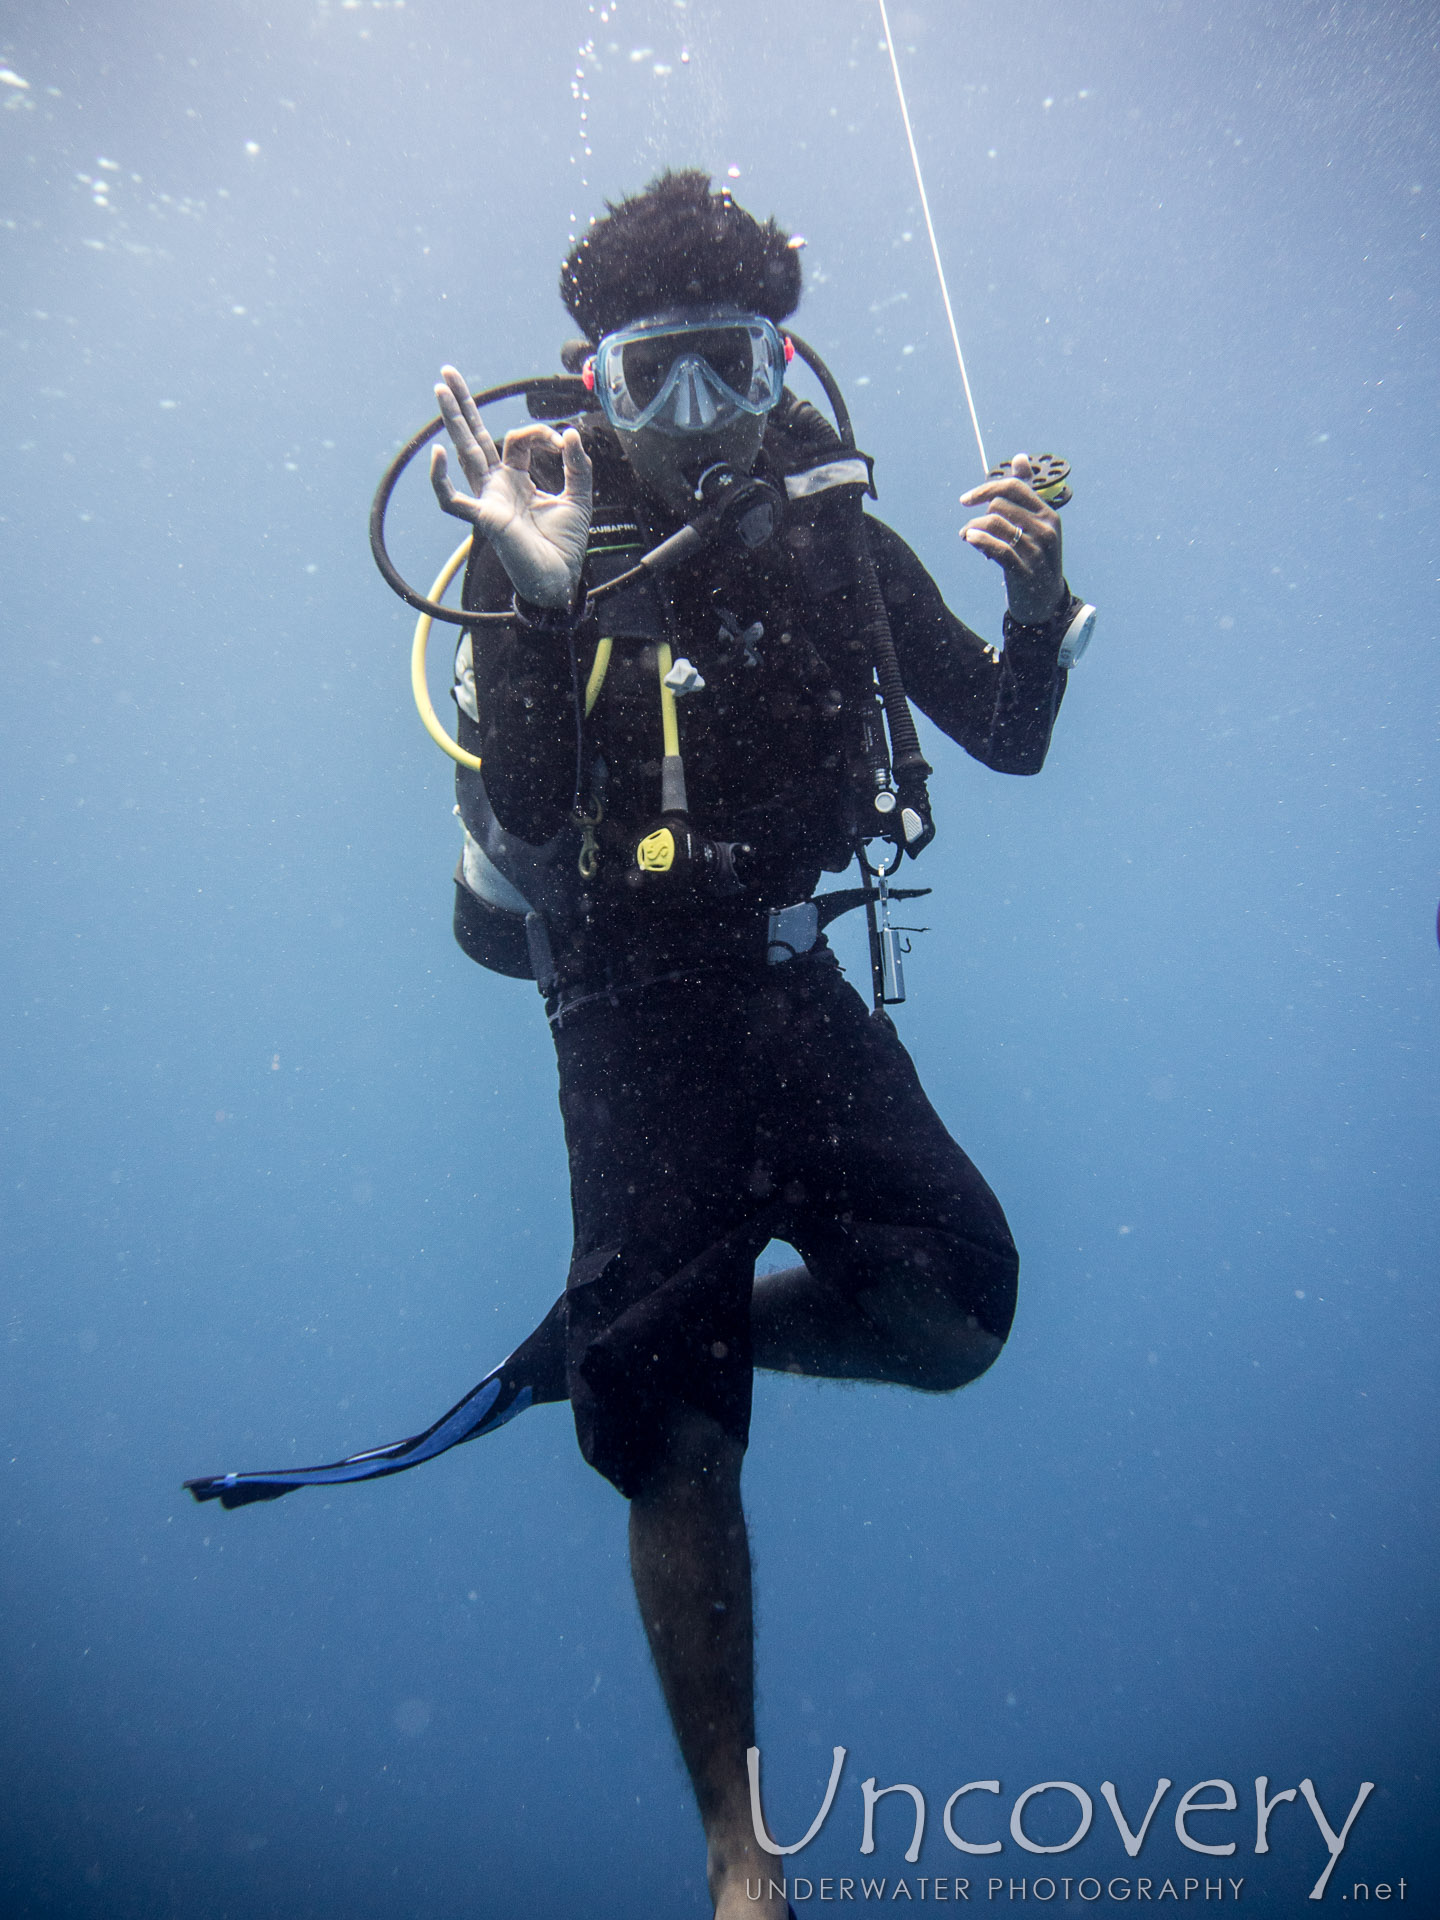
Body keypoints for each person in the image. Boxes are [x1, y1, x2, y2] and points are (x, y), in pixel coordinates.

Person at [187, 168, 1086, 1919]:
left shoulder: (844, 543)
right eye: (659, 372)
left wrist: (1041, 614)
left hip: (785, 979)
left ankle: (622, 1332)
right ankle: (741, 1861)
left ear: (783, 368)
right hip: (625, 1009)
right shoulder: (545, 553)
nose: (703, 416)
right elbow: (522, 798)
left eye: (734, 369)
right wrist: (534, 598)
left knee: (962, 1308)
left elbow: (1006, 737)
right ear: (597, 386)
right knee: (679, 1428)